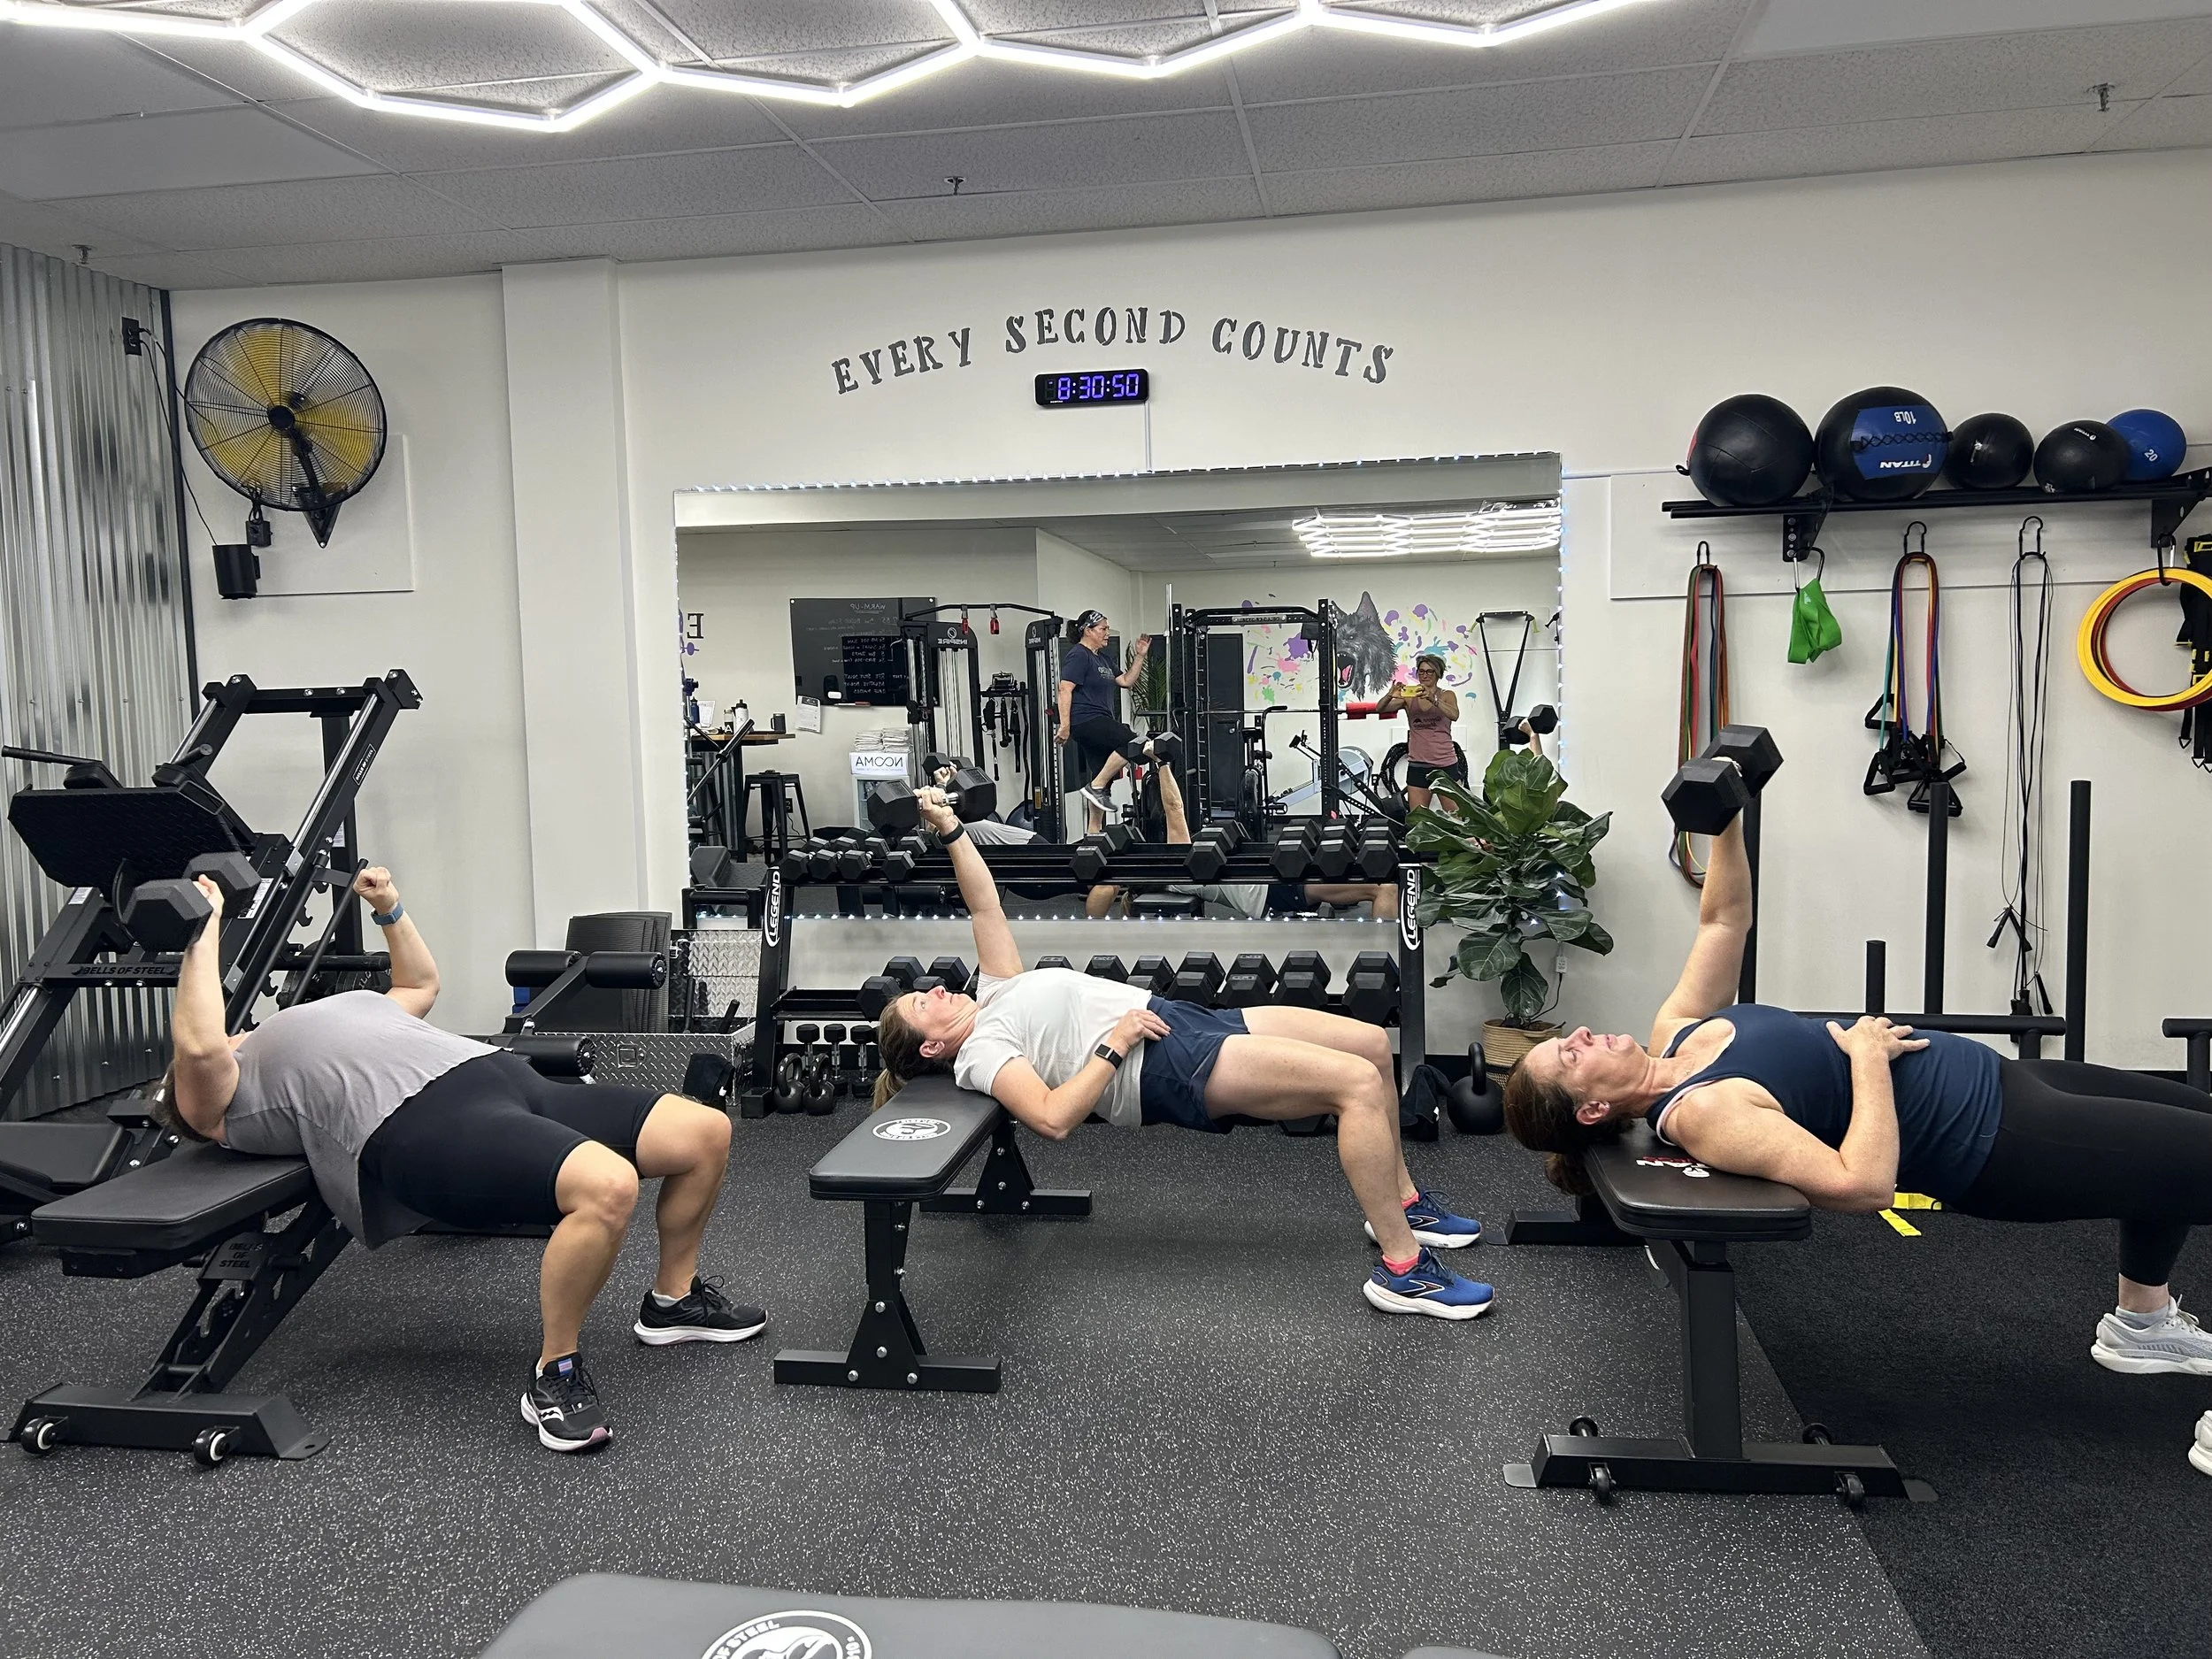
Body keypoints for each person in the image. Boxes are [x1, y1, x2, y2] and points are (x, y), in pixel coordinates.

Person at [1502, 810, 2212, 1382]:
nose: (1585, 1033)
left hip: (2009, 1079)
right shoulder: (1704, 1112)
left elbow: (1724, 921)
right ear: (1592, 1108)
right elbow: (1861, 1184)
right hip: (1996, 1143)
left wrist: (1724, 818)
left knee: (2186, 1139)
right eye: (1571, 1053)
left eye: (1573, 1034)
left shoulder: (1677, 1032)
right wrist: (1868, 1058)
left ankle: (2142, 1320)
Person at [150, 865, 762, 1455]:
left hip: (497, 1075)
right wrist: (202, 930)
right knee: (608, 1185)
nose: (224, 1035)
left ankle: (672, 1300)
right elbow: (200, 1041)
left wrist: (388, 906)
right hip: (415, 1122)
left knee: (703, 1131)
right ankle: (556, 1369)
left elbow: (419, 986)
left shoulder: (294, 1024)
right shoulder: (218, 1094)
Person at [871, 790, 1492, 1320]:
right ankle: (1404, 1268)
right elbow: (1053, 1117)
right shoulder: (980, 1053)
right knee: (1354, 1084)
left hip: (1180, 1022)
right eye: (923, 1004)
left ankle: (1406, 1202)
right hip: (1160, 1066)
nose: (934, 990)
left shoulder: (995, 988)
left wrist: (949, 826)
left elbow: (983, 903)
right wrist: (1113, 1046)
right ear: (931, 1044)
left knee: (1367, 1044)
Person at [1056, 610, 1157, 832]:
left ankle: (1093, 834)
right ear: (1087, 630)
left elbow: (1126, 681)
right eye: (1103, 629)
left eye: (1108, 628)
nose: (1107, 633)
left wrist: (1140, 655)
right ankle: (1096, 786)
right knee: (1135, 744)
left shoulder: (1102, 658)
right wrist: (1065, 726)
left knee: (1103, 776)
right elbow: (1065, 689)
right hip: (1086, 720)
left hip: (1098, 720)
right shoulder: (1079, 655)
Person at [1379, 653, 1463, 810]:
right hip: (1418, 764)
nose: (1425, 675)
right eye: (1421, 671)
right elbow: (1380, 709)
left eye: (1430, 671)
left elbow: (1454, 715)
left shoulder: (1447, 695)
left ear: (1438, 674)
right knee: (1417, 818)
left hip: (1444, 764)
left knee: (1455, 818)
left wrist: (1433, 699)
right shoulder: (1409, 698)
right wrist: (1390, 695)